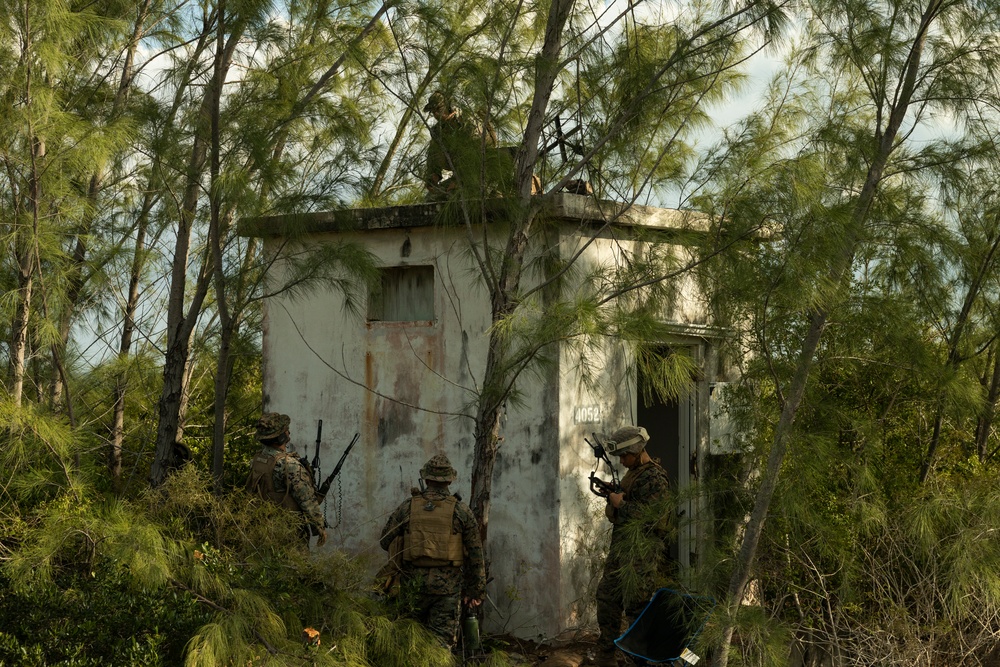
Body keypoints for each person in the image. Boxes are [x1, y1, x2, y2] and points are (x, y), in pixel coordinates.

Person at [379, 453, 486, 649]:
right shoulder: (461, 511)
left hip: (412, 587)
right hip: (447, 591)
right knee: (440, 649)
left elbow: (385, 540)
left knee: (408, 644)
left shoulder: (408, 507)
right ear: (449, 481)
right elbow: (476, 555)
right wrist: (476, 591)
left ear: (426, 479)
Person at [594, 426, 673, 667]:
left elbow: (654, 519)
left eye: (624, 456)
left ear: (637, 451)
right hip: (621, 553)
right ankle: (606, 655)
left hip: (640, 557)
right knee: (606, 598)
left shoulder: (655, 478)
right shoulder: (635, 474)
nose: (622, 461)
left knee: (636, 609)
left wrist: (621, 504)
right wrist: (613, 493)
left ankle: (639, 661)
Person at [245, 412, 327, 547]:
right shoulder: (290, 465)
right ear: (282, 437)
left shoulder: (258, 459)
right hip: (287, 534)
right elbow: (307, 500)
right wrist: (319, 526)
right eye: (286, 430)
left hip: (261, 528)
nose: (288, 432)